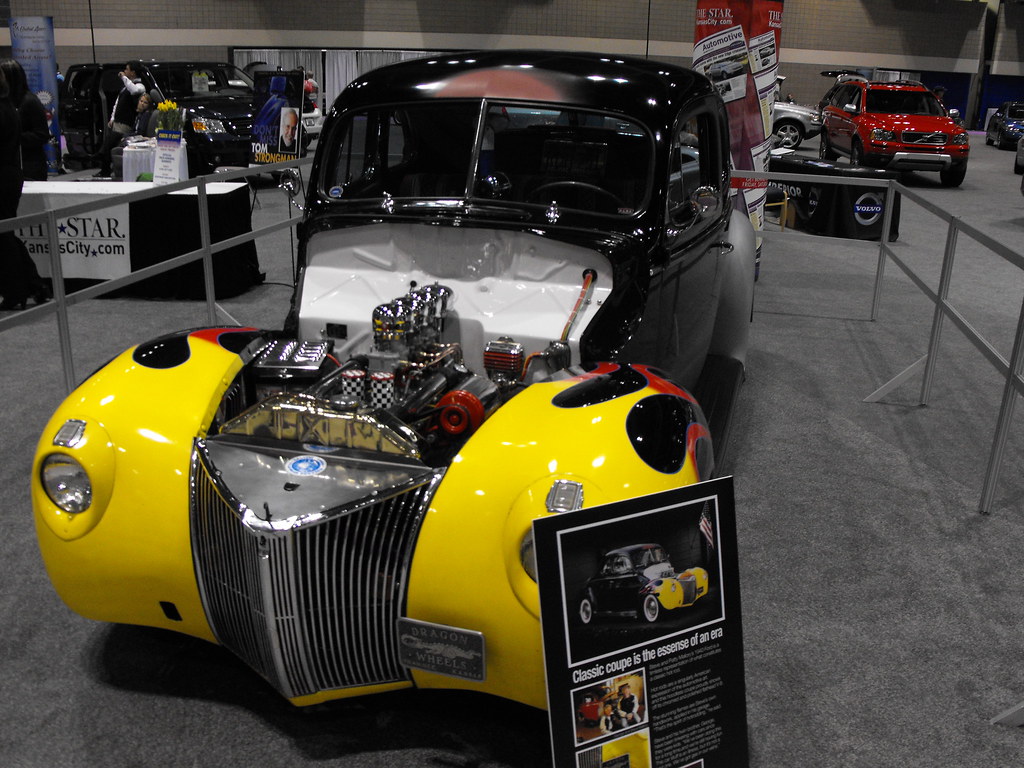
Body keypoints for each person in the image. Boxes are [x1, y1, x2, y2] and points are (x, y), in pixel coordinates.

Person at [0, 65, 48, 310]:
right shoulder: (9, 105)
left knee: (5, 236)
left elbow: (41, 135)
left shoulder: (20, 104)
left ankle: (21, 288)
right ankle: (32, 283)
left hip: (8, 174)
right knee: (6, 235)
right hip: (11, 172)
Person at [0, 58, 50, 181]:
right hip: (14, 163)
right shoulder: (8, 102)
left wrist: (14, 137)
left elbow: (42, 134)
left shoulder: (30, 101)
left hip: (29, 166)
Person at [97, 61, 145, 176]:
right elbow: (117, 103)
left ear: (133, 73)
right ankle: (105, 169)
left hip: (125, 123)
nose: (124, 71)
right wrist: (112, 117)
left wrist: (124, 78)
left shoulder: (139, 86)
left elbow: (134, 90)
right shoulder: (125, 87)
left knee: (109, 145)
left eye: (127, 69)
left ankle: (105, 170)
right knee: (109, 145)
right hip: (117, 122)